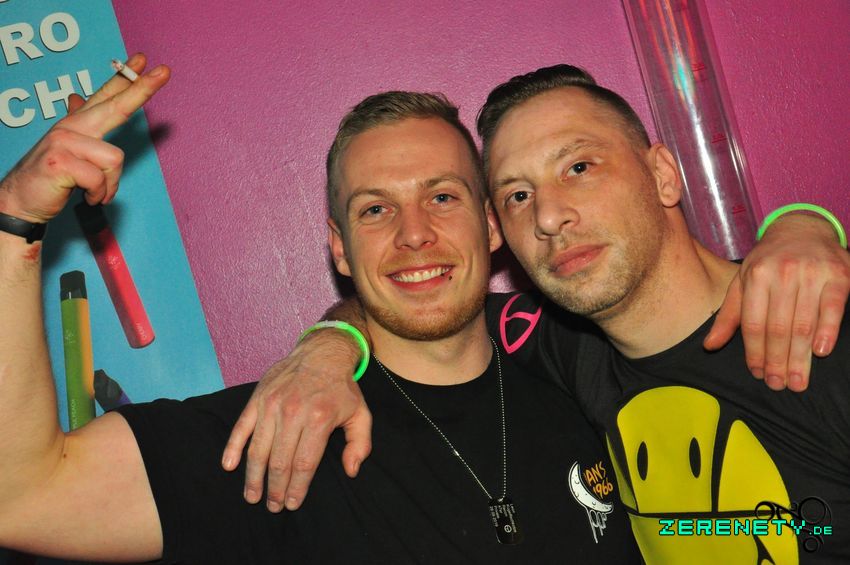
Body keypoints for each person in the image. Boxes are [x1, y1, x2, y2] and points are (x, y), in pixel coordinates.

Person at [0, 57, 644, 561]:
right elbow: (23, 498)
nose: (413, 234)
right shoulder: (283, 432)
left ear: (491, 223)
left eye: (442, 197)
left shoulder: (581, 365)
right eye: (375, 209)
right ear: (339, 247)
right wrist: (16, 218)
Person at [231, 65, 850, 564]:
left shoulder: (823, 327)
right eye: (518, 195)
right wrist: (327, 346)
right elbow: (416, 301)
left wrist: (804, 224)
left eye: (578, 168)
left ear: (662, 174)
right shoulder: (558, 343)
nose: (549, 217)